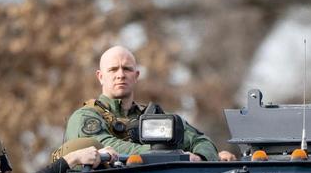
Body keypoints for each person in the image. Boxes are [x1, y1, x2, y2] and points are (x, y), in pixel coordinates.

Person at [66, 46, 234, 162]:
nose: (120, 75)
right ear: (100, 76)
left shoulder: (153, 118)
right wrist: (163, 154)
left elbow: (200, 140)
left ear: (136, 75)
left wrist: (200, 157)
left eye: (127, 69)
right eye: (113, 69)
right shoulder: (86, 117)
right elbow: (100, 145)